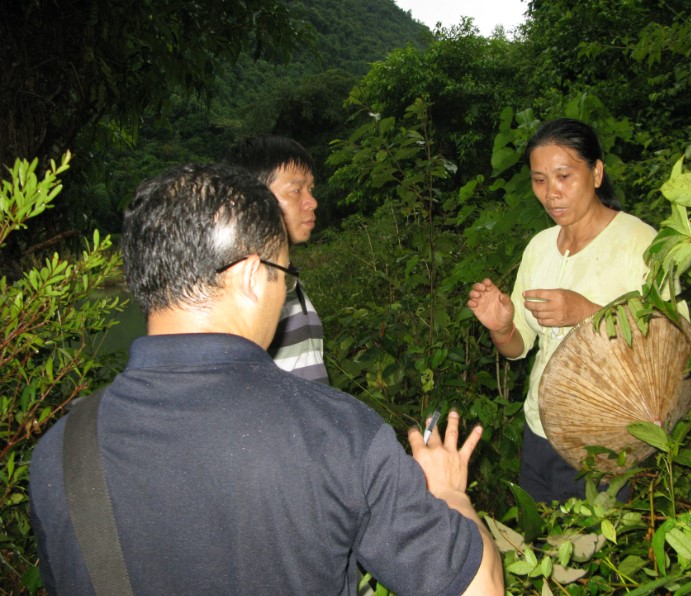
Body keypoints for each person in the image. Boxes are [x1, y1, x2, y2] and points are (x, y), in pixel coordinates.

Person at [29, 163, 504, 594]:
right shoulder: (335, 434)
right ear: (252, 276)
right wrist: (448, 492)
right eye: (284, 273)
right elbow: (480, 589)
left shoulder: (61, 451)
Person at [468, 118, 657, 504]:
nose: (551, 193)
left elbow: (671, 342)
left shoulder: (638, 243)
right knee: (539, 540)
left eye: (564, 176)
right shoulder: (539, 248)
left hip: (607, 442)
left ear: (597, 173)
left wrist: (588, 312)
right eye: (539, 180)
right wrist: (502, 327)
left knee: (595, 543)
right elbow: (519, 346)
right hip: (540, 432)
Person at [226, 135, 328, 383]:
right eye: (296, 190)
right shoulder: (245, 284)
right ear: (251, 199)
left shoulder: (285, 277)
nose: (312, 202)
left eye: (310, 189)